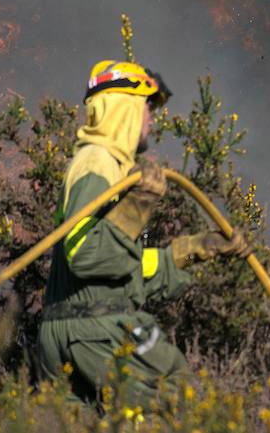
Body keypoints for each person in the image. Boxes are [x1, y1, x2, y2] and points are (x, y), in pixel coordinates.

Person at [38, 60, 250, 404]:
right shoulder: (98, 163)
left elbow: (121, 270)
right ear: (124, 108)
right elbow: (85, 256)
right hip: (95, 328)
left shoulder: (110, 166)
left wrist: (193, 249)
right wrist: (138, 207)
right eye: (146, 107)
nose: (151, 117)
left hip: (75, 327)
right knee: (170, 389)